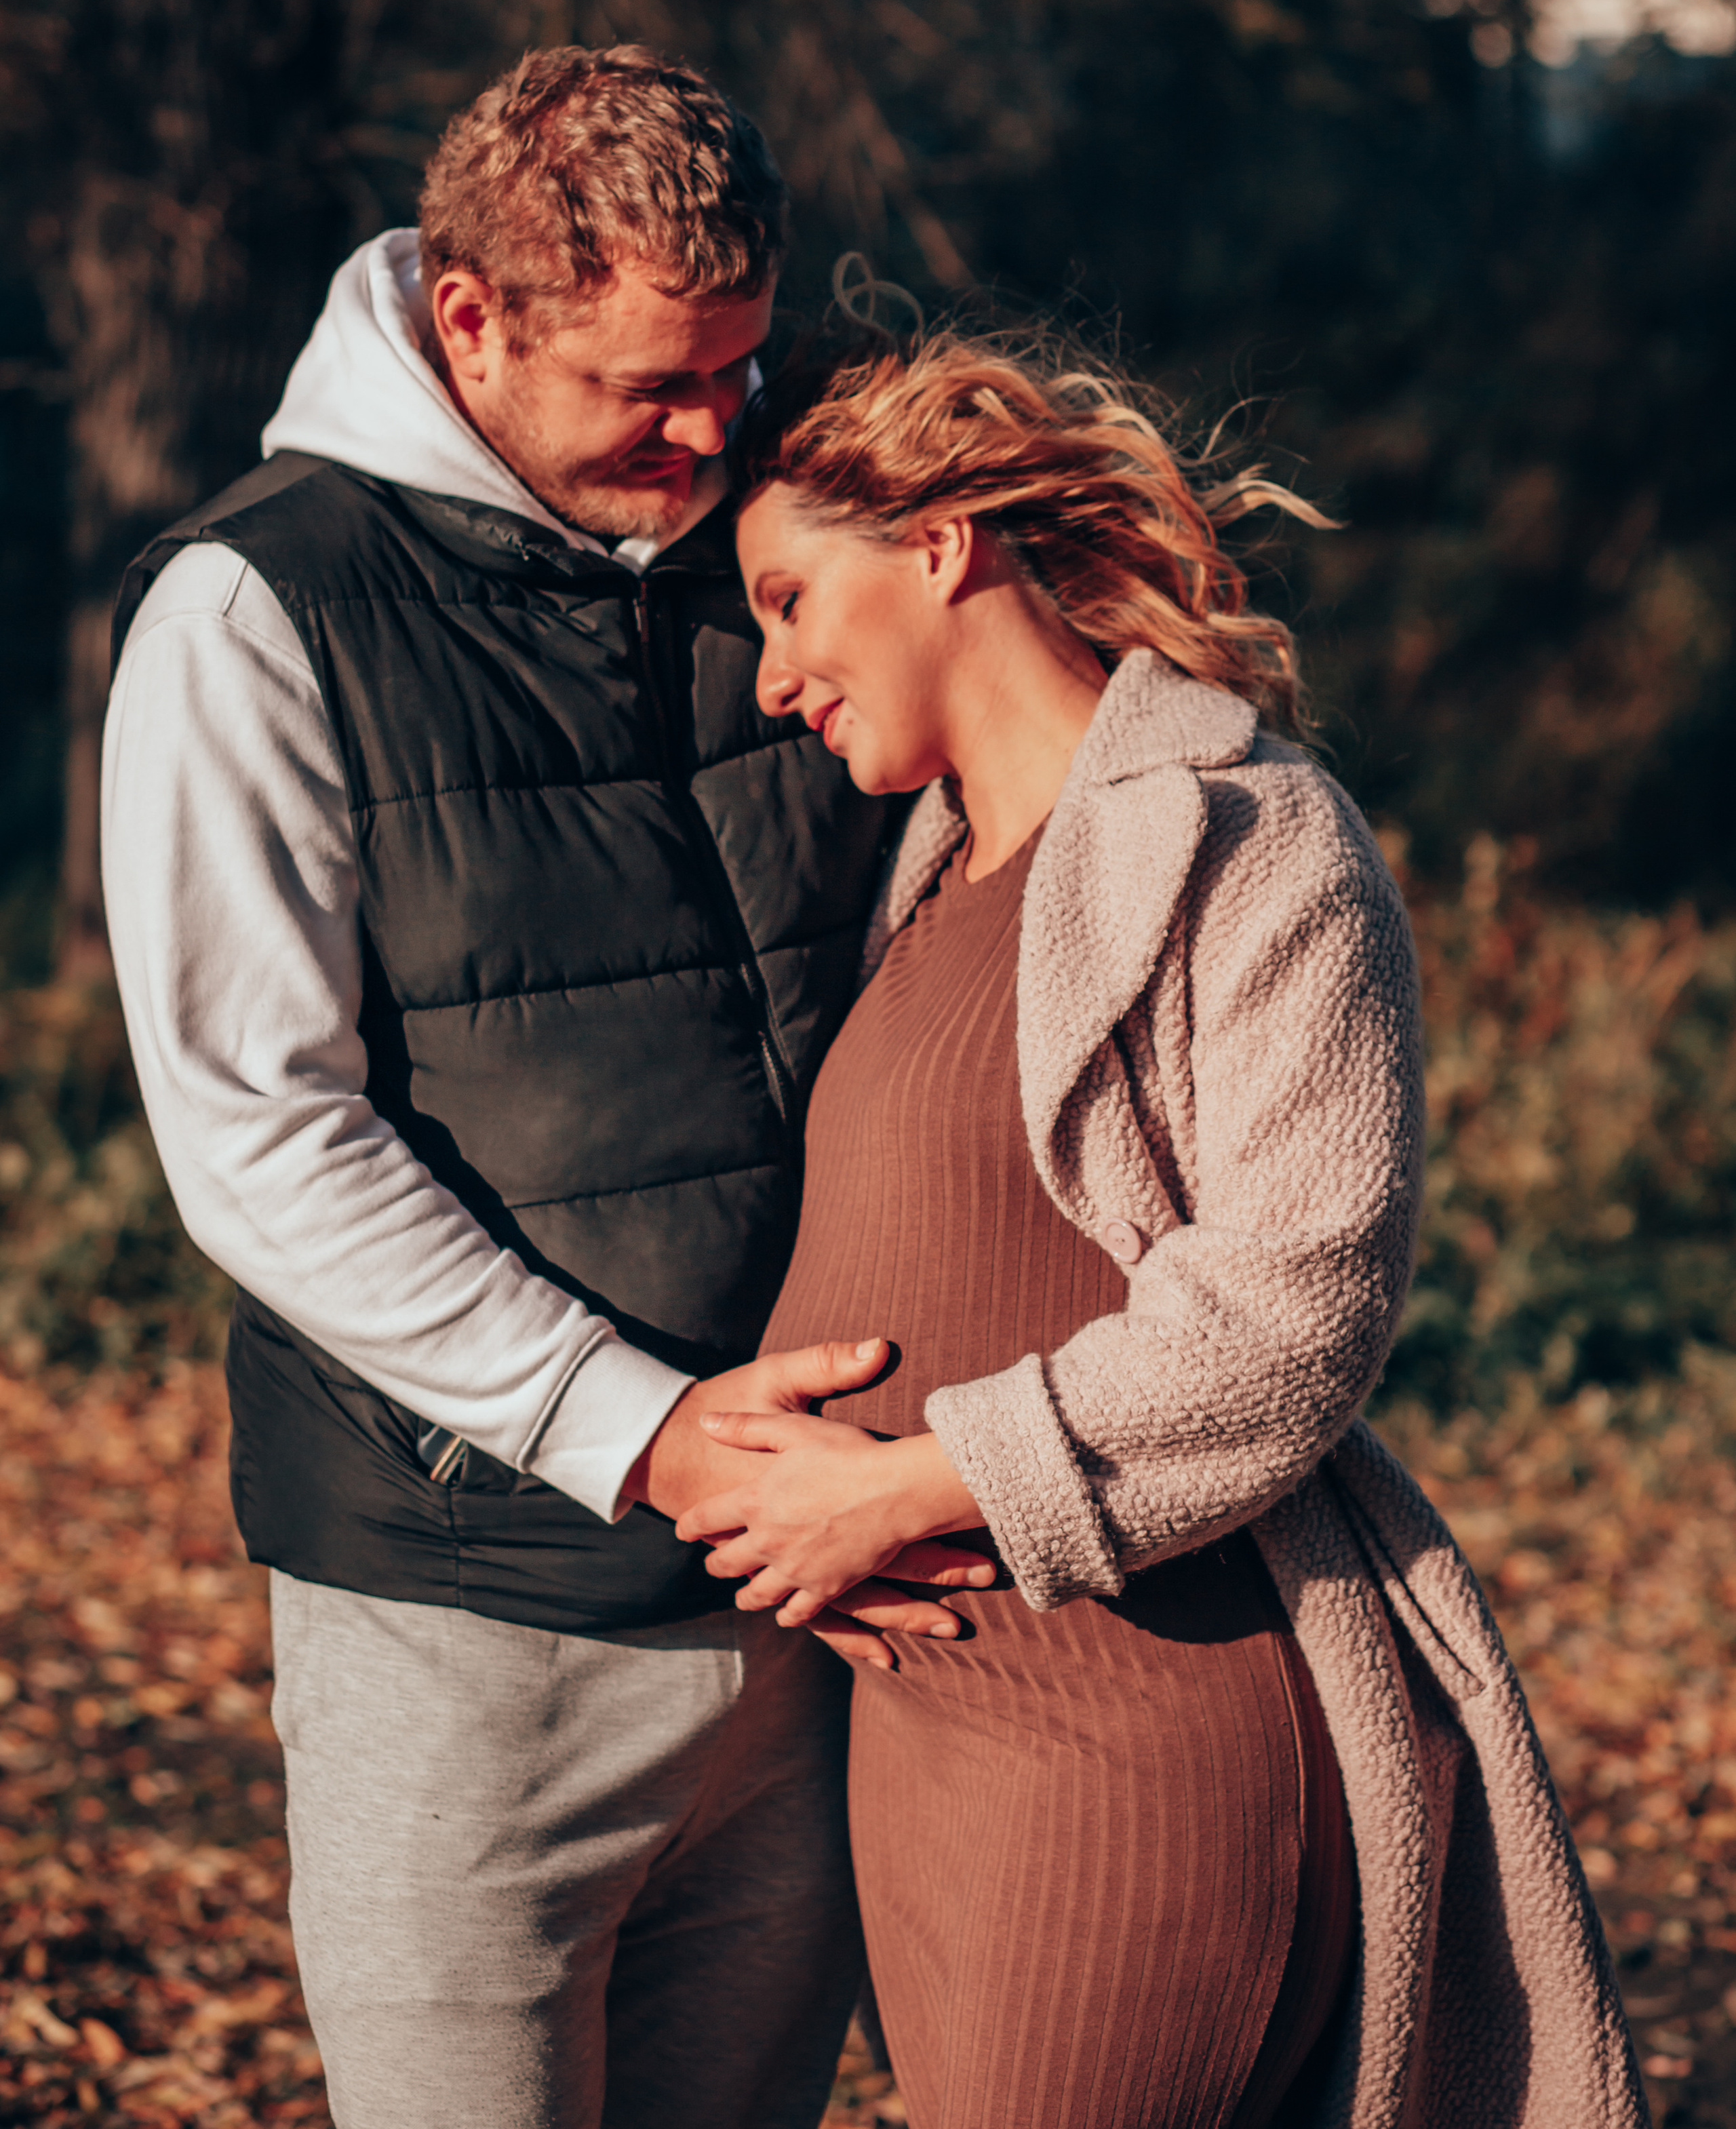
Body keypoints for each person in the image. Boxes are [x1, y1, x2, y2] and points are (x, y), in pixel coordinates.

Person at [99, 47, 988, 2129]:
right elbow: (259, 1132)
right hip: (469, 1615)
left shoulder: (782, 510)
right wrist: (638, 1431)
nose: (709, 435)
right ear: (472, 320)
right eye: (648, 388)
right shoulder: (256, 611)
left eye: (739, 369)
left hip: (816, 1604)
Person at [673, 323, 1649, 2129]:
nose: (774, 675)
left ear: (943, 542)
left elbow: (1289, 1320)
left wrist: (894, 1489)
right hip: (931, 1741)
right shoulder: (920, 885)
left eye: (793, 599)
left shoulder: (1248, 838)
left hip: (1139, 1725)